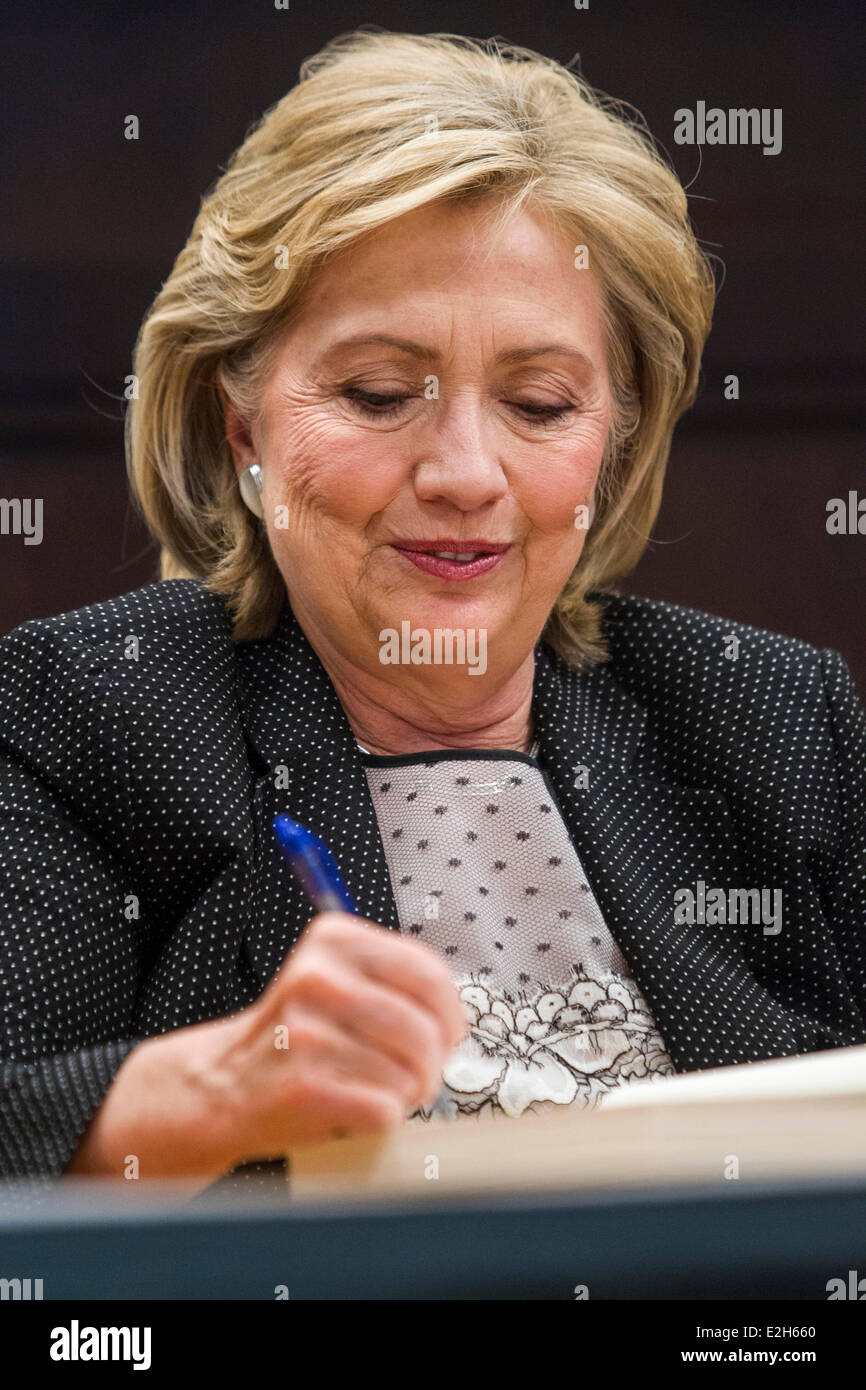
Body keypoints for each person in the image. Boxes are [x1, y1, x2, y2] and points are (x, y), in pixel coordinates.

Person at [1, 31, 863, 1190]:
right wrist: (214, 1093)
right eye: (375, 392)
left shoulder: (773, 719)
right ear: (242, 426)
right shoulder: (89, 721)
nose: (464, 470)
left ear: (611, 442)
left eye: (538, 402)